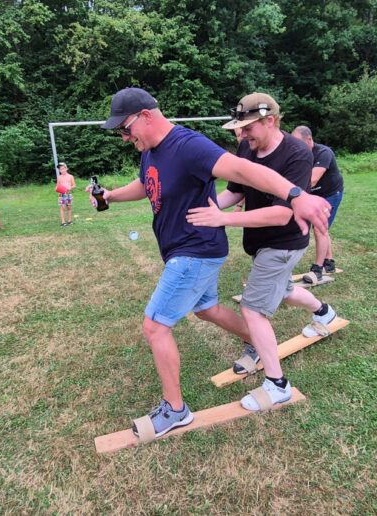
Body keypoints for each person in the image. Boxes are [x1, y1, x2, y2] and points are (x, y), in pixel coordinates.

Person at [92, 87, 332, 438]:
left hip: (195, 250)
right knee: (207, 309)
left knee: (155, 326)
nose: (125, 137)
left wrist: (295, 194)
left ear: (145, 116)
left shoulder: (187, 145)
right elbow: (146, 183)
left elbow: (243, 170)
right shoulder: (151, 151)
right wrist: (111, 196)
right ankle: (256, 341)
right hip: (189, 249)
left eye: (125, 129)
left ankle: (175, 410)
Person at [186, 92, 338, 412]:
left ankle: (277, 385)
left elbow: (282, 214)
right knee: (284, 290)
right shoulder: (247, 146)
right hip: (262, 241)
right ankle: (324, 313)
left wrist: (222, 219)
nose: (242, 135)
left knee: (253, 309)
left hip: (284, 242)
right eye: (240, 129)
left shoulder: (297, 155)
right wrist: (205, 209)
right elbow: (235, 190)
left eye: (248, 128)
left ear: (271, 121)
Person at [291, 126, 344, 281]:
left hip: (331, 194)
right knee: (323, 229)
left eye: (300, 143)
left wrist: (289, 191)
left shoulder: (323, 153)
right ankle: (329, 263)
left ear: (309, 140)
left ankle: (317, 269)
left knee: (320, 229)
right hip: (315, 196)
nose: (297, 147)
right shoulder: (300, 154)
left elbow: (312, 180)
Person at [56, 162, 76, 227]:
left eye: (63, 168)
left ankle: (70, 220)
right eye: (60, 169)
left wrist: (70, 188)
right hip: (61, 194)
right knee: (62, 207)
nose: (62, 170)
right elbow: (57, 186)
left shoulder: (70, 176)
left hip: (68, 194)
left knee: (69, 207)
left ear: (66, 168)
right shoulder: (59, 177)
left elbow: (74, 185)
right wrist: (57, 189)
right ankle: (63, 222)